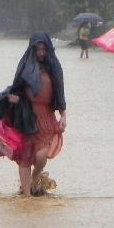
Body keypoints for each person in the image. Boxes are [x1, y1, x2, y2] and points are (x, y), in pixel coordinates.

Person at [8, 33, 67, 196]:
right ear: (32, 50)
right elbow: (16, 89)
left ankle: (35, 178)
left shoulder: (54, 68)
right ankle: (26, 197)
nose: (41, 53)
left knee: (41, 156)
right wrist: (13, 99)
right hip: (27, 117)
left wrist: (63, 116)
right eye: (38, 50)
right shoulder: (25, 66)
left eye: (44, 49)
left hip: (46, 117)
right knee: (25, 158)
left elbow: (60, 94)